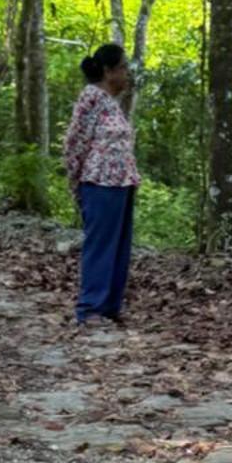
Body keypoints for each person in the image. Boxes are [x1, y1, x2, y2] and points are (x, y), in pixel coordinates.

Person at [62, 42, 139, 327]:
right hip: (99, 182)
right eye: (122, 68)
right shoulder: (91, 98)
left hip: (121, 183)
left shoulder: (112, 104)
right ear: (108, 71)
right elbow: (75, 141)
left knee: (119, 246)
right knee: (100, 245)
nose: (126, 74)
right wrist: (76, 180)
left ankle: (109, 306)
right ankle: (90, 308)